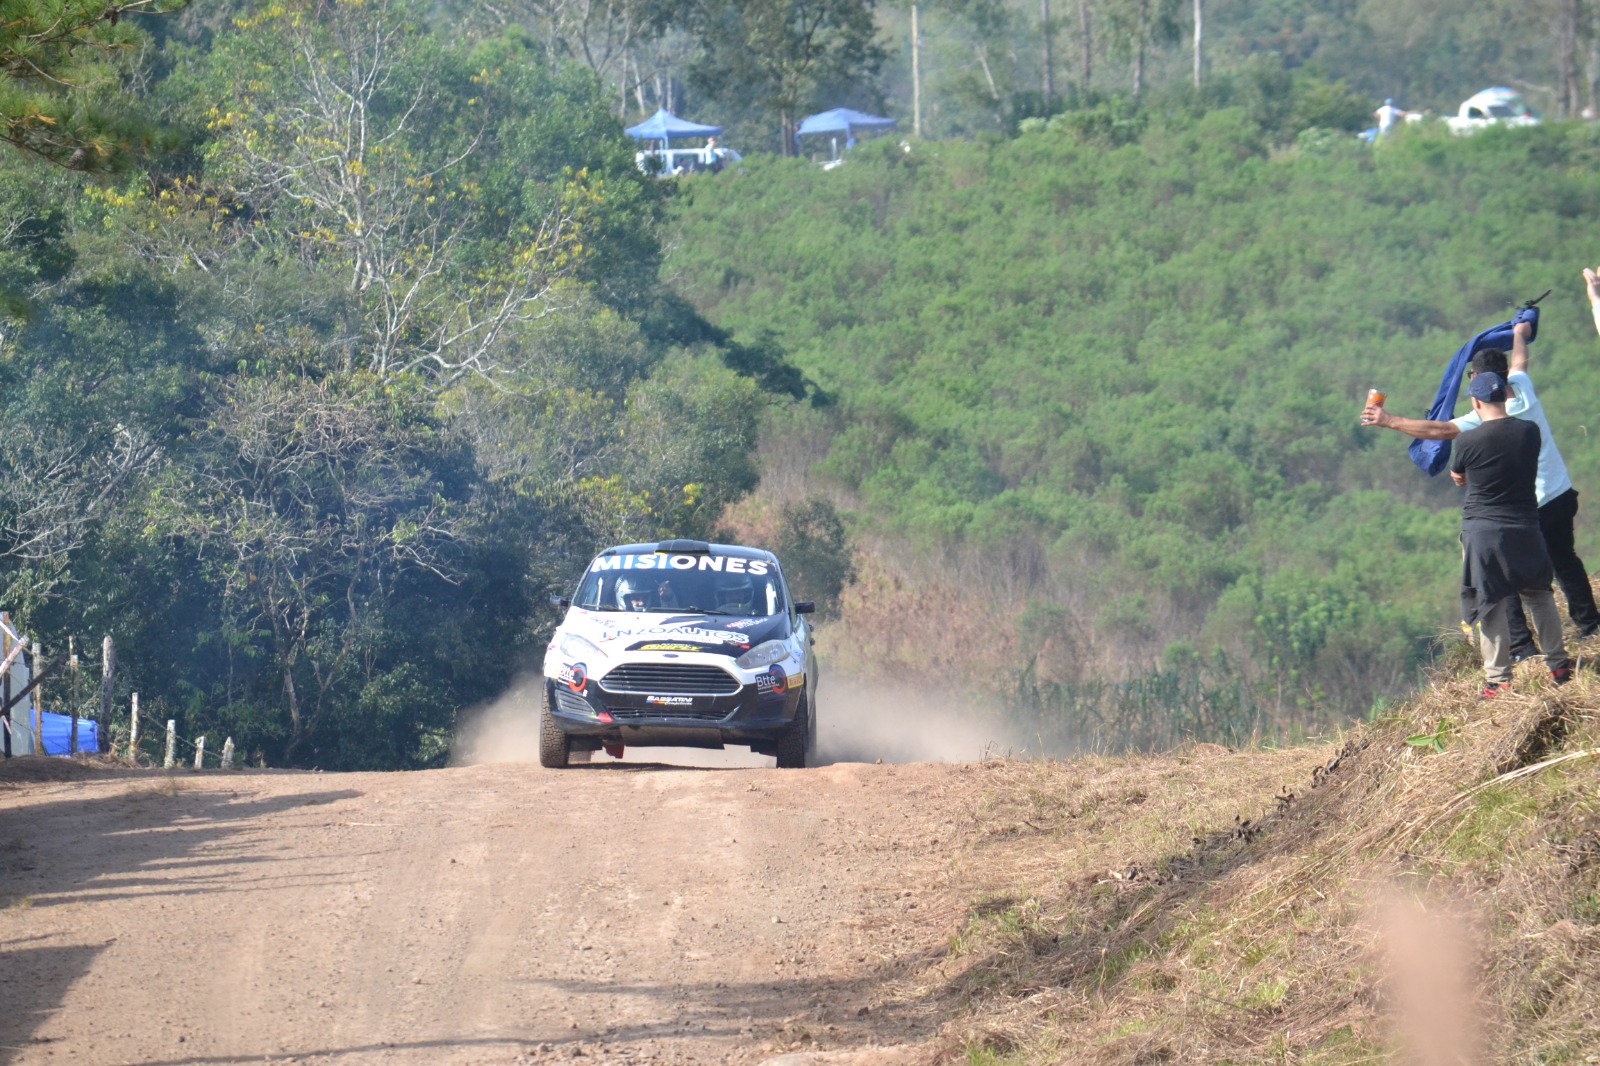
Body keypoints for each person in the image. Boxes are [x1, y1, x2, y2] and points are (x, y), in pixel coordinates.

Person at [1364, 318, 1600, 652]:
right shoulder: (1522, 388)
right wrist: (1519, 334)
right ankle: (1590, 626)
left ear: (1477, 380)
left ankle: (1523, 649)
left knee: (1508, 575)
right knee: (1565, 562)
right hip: (1561, 494)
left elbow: (1441, 430)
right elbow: (1520, 361)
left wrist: (1388, 420)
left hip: (1529, 509)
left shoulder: (1487, 414)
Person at [1448, 372, 1571, 697]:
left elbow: (1458, 475)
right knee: (1539, 595)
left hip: (1484, 532)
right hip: (1525, 526)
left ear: (1475, 402)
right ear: (1505, 395)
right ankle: (1559, 666)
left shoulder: (1467, 441)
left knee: (1490, 603)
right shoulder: (1529, 431)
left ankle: (1498, 680)